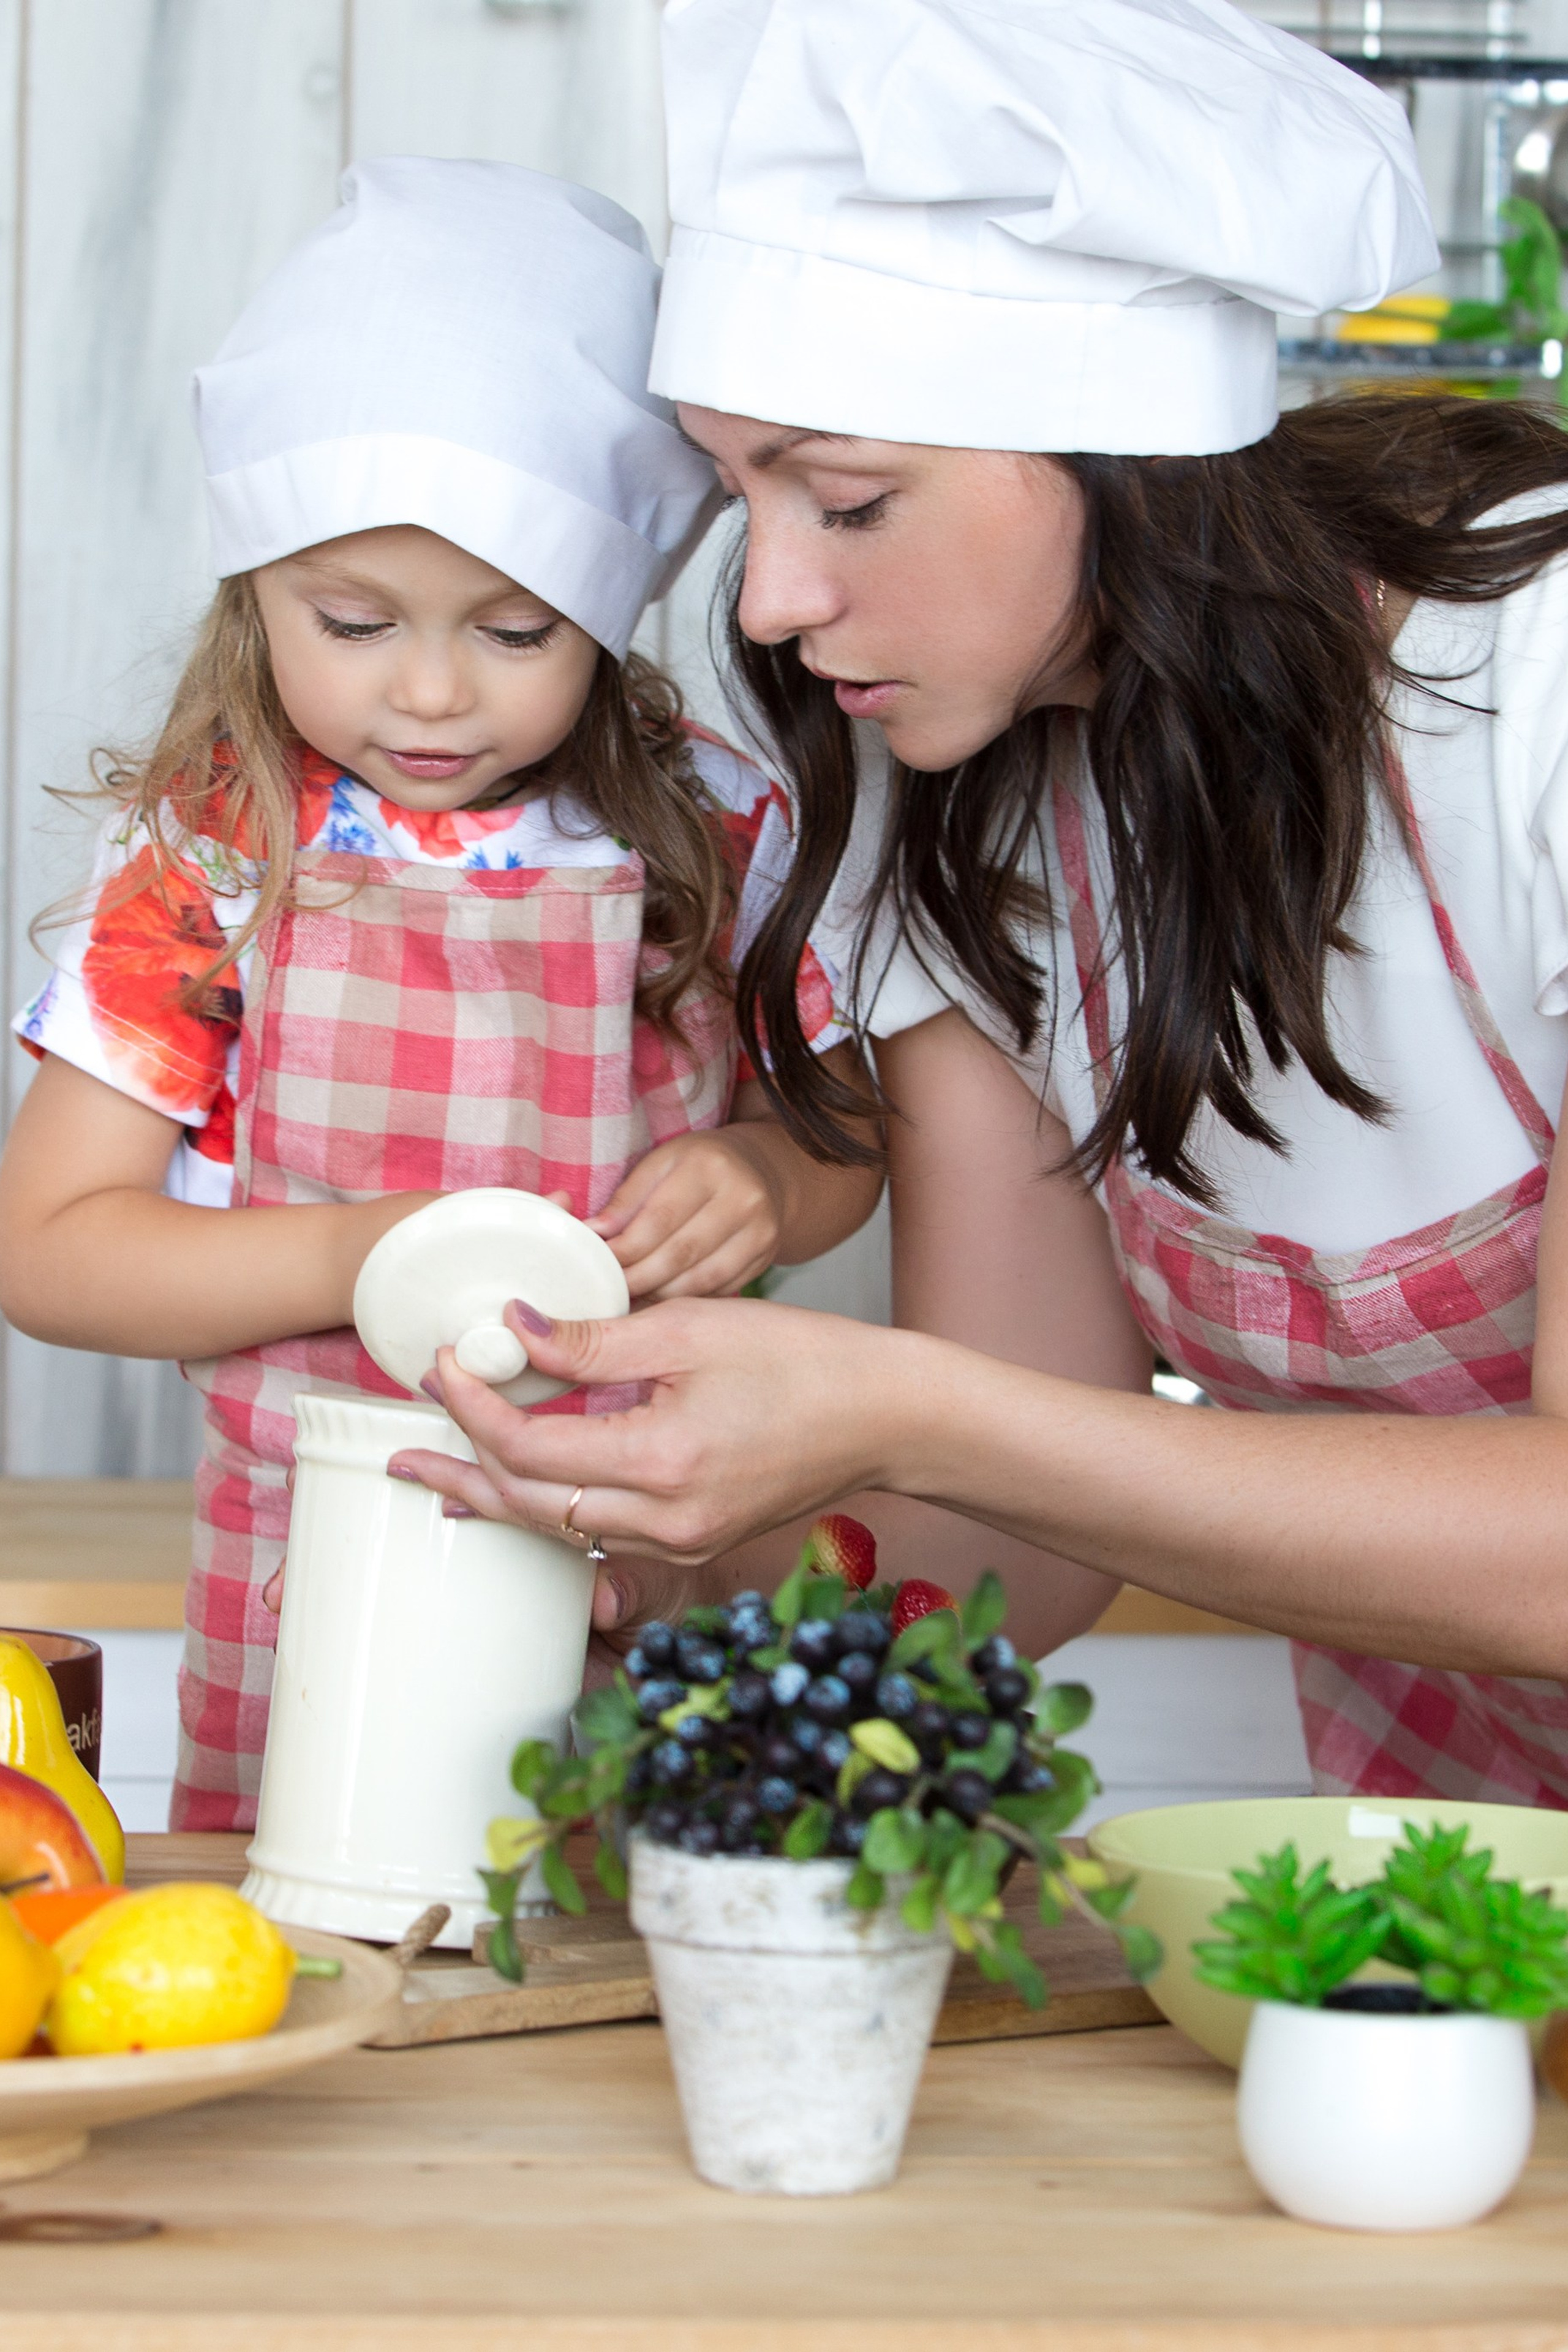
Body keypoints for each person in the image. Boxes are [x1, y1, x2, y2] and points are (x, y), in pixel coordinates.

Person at [391, 0, 1568, 1811]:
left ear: (1123, 452)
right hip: (1472, 1872)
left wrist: (902, 1405)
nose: (768, 600)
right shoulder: (960, 788)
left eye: (849, 500)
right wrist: (652, 1559)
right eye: (742, 494)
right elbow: (1012, 1544)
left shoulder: (1537, 683)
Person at [0, 159, 879, 1829]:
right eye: (352, 619)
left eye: (514, 630)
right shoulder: (217, 853)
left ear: (608, 609)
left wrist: (769, 1179)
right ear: (255, 584)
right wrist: (380, 1254)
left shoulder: (715, 824)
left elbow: (844, 1142)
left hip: (635, 1542)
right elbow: (49, 1248)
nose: (426, 690)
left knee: (611, 1911)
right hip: (312, 1549)